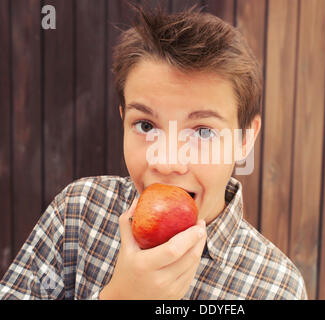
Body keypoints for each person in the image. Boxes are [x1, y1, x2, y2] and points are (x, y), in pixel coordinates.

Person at [0, 4, 307, 300]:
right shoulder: (76, 214)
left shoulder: (277, 287)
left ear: (245, 140)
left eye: (202, 131)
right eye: (146, 126)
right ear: (123, 121)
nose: (166, 162)